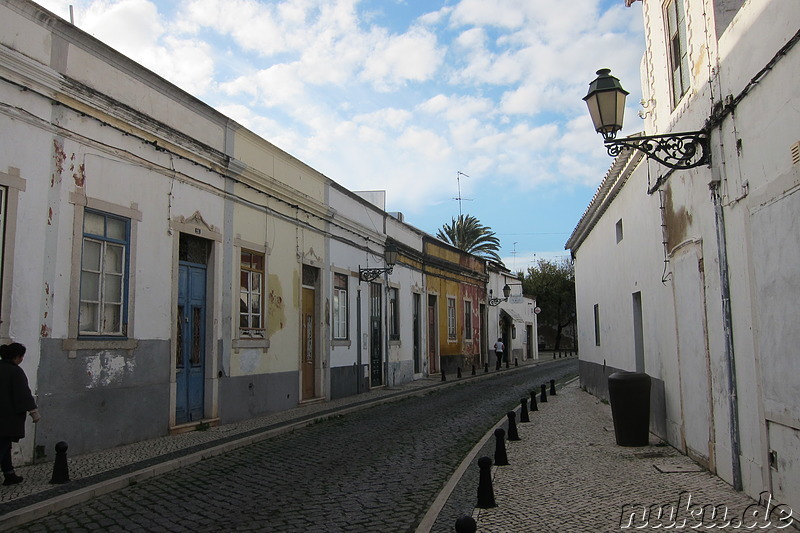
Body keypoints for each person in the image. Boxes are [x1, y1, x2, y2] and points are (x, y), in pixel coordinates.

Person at [0, 342, 39, 486]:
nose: (22, 359)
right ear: (16, 357)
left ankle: (9, 473)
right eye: (21, 356)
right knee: (3, 444)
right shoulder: (15, 371)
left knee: (5, 446)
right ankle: (9, 474)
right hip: (8, 418)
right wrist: (34, 412)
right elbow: (23, 394)